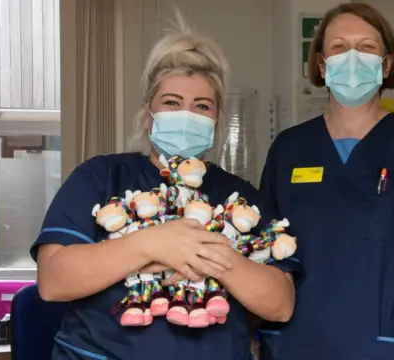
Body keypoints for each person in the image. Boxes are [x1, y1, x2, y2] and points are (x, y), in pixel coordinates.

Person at [32, 15, 300, 360]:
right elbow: (54, 281)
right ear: (148, 116)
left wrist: (210, 254)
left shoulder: (240, 197)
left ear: (216, 124)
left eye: (202, 106)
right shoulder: (101, 177)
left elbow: (280, 304)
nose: (187, 114)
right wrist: (151, 243)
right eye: (172, 102)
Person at [257, 3, 394, 360]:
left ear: (387, 64)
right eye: (338, 47)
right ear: (320, 64)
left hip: (384, 348)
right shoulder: (289, 150)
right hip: (296, 346)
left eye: (366, 47)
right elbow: (265, 264)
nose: (352, 57)